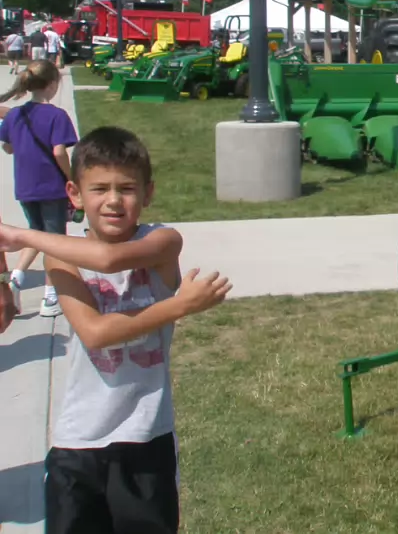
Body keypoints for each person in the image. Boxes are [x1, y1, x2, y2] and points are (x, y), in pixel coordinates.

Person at [0, 126, 232, 533]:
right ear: (73, 193)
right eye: (99, 188)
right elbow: (95, 333)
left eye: (126, 188)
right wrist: (177, 306)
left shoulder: (164, 241)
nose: (112, 200)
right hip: (78, 440)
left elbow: (108, 260)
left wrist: (21, 236)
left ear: (148, 193)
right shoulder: (60, 260)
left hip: (145, 436)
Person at [0, 59, 78, 317]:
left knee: (36, 233)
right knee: (55, 243)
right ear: (52, 84)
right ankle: (50, 297)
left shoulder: (15, 115)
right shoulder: (57, 115)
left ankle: (16, 279)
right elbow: (59, 152)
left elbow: (7, 147)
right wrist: (72, 179)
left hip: (25, 186)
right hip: (52, 187)